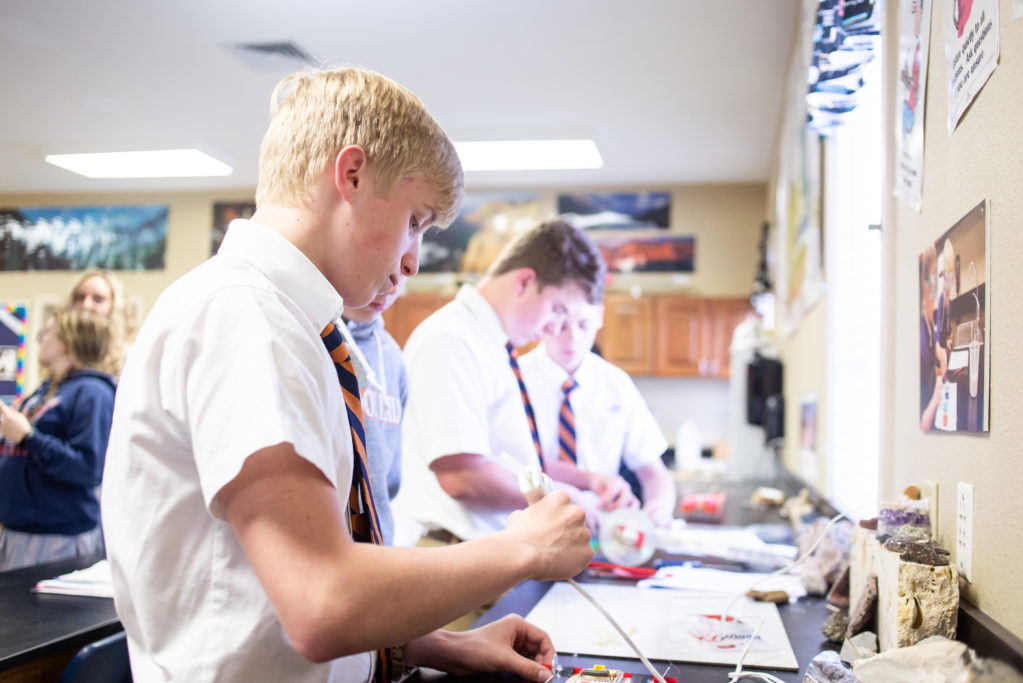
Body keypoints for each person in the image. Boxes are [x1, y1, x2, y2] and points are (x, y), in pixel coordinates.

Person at [101, 66, 591, 683]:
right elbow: (320, 601)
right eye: (415, 220)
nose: (413, 259)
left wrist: (439, 643)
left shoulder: (303, 327)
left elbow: (268, 591)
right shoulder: (244, 316)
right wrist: (524, 547)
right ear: (351, 174)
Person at [397, 218, 637, 548]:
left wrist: (586, 483)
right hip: (455, 553)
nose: (554, 328)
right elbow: (463, 477)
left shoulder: (494, 346)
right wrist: (558, 499)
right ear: (524, 281)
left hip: (487, 555)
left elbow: (508, 459)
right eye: (556, 309)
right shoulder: (451, 340)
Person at [519, 300, 677, 528]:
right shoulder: (515, 379)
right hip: (526, 529)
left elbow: (653, 473)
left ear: (600, 317)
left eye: (584, 325)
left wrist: (659, 506)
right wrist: (587, 482)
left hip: (596, 533)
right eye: (562, 326)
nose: (572, 337)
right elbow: (514, 463)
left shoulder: (616, 384)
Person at [0, 307, 116, 571]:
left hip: (55, 537)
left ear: (66, 341)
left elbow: (88, 468)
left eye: (47, 333)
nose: (40, 339)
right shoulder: (47, 389)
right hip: (18, 531)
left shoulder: (93, 392)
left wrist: (27, 436)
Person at [339, 280, 407, 545]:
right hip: (327, 545)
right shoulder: (316, 339)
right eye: (389, 271)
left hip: (379, 544)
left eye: (404, 272)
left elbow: (389, 478)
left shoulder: (392, 357)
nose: (392, 288)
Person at [66, 268, 135, 375]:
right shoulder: (62, 355)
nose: (86, 305)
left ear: (114, 306)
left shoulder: (128, 359)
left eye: (98, 299)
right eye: (80, 297)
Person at [920, 244, 946, 431]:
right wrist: (937, 393)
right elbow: (922, 422)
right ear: (926, 284)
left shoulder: (930, 325)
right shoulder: (921, 335)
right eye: (935, 276)